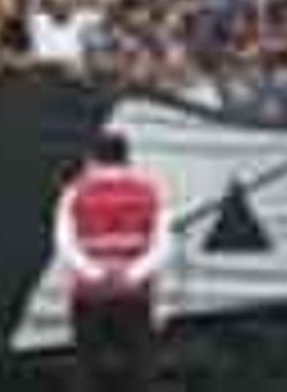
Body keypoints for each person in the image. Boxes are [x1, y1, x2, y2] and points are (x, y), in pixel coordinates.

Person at [49, 130, 169, 392]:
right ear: (127, 157)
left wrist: (95, 274)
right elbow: (161, 244)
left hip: (89, 295)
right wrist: (133, 274)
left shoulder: (74, 193)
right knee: (140, 368)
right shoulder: (149, 192)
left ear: (94, 157)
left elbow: (65, 242)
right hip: (135, 294)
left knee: (86, 368)